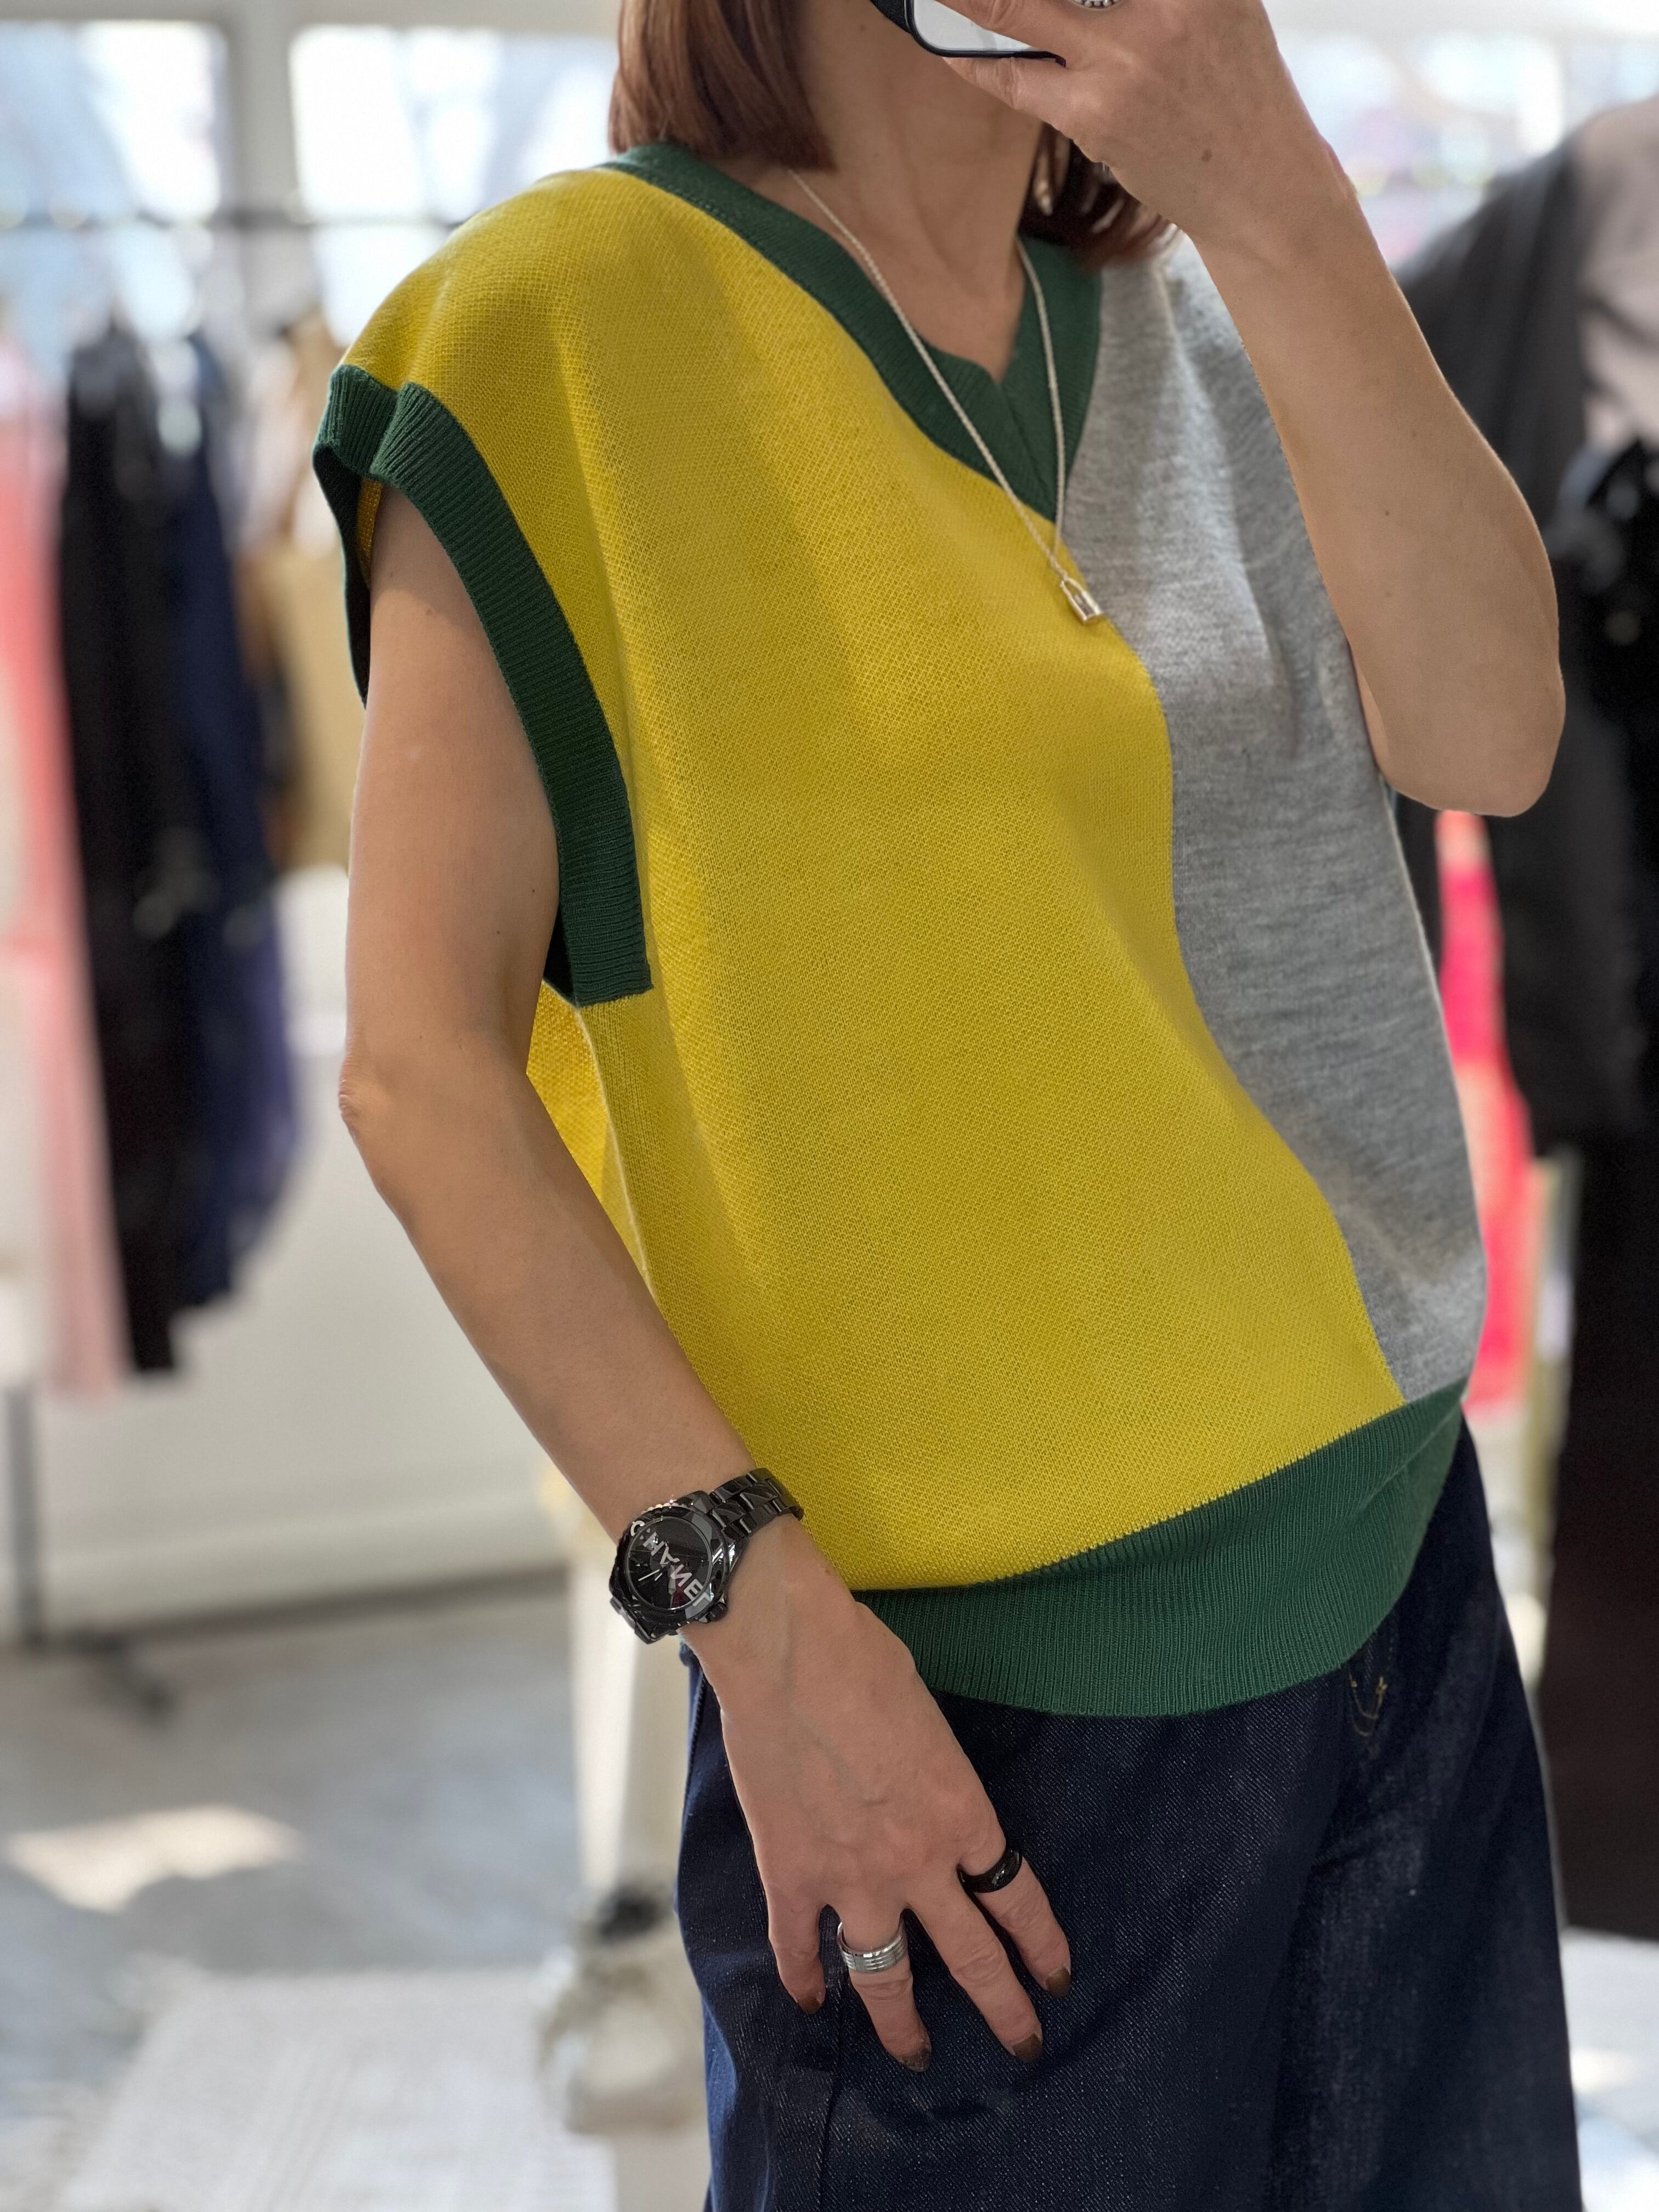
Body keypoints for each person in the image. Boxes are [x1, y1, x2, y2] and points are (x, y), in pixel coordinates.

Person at [319, 0, 1582, 2197]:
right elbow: (420, 1075)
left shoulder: (1213, 316)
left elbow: (1494, 731)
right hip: (971, 1730)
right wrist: (759, 1630)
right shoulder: (553, 331)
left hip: (1401, 1597)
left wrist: (1276, 194)